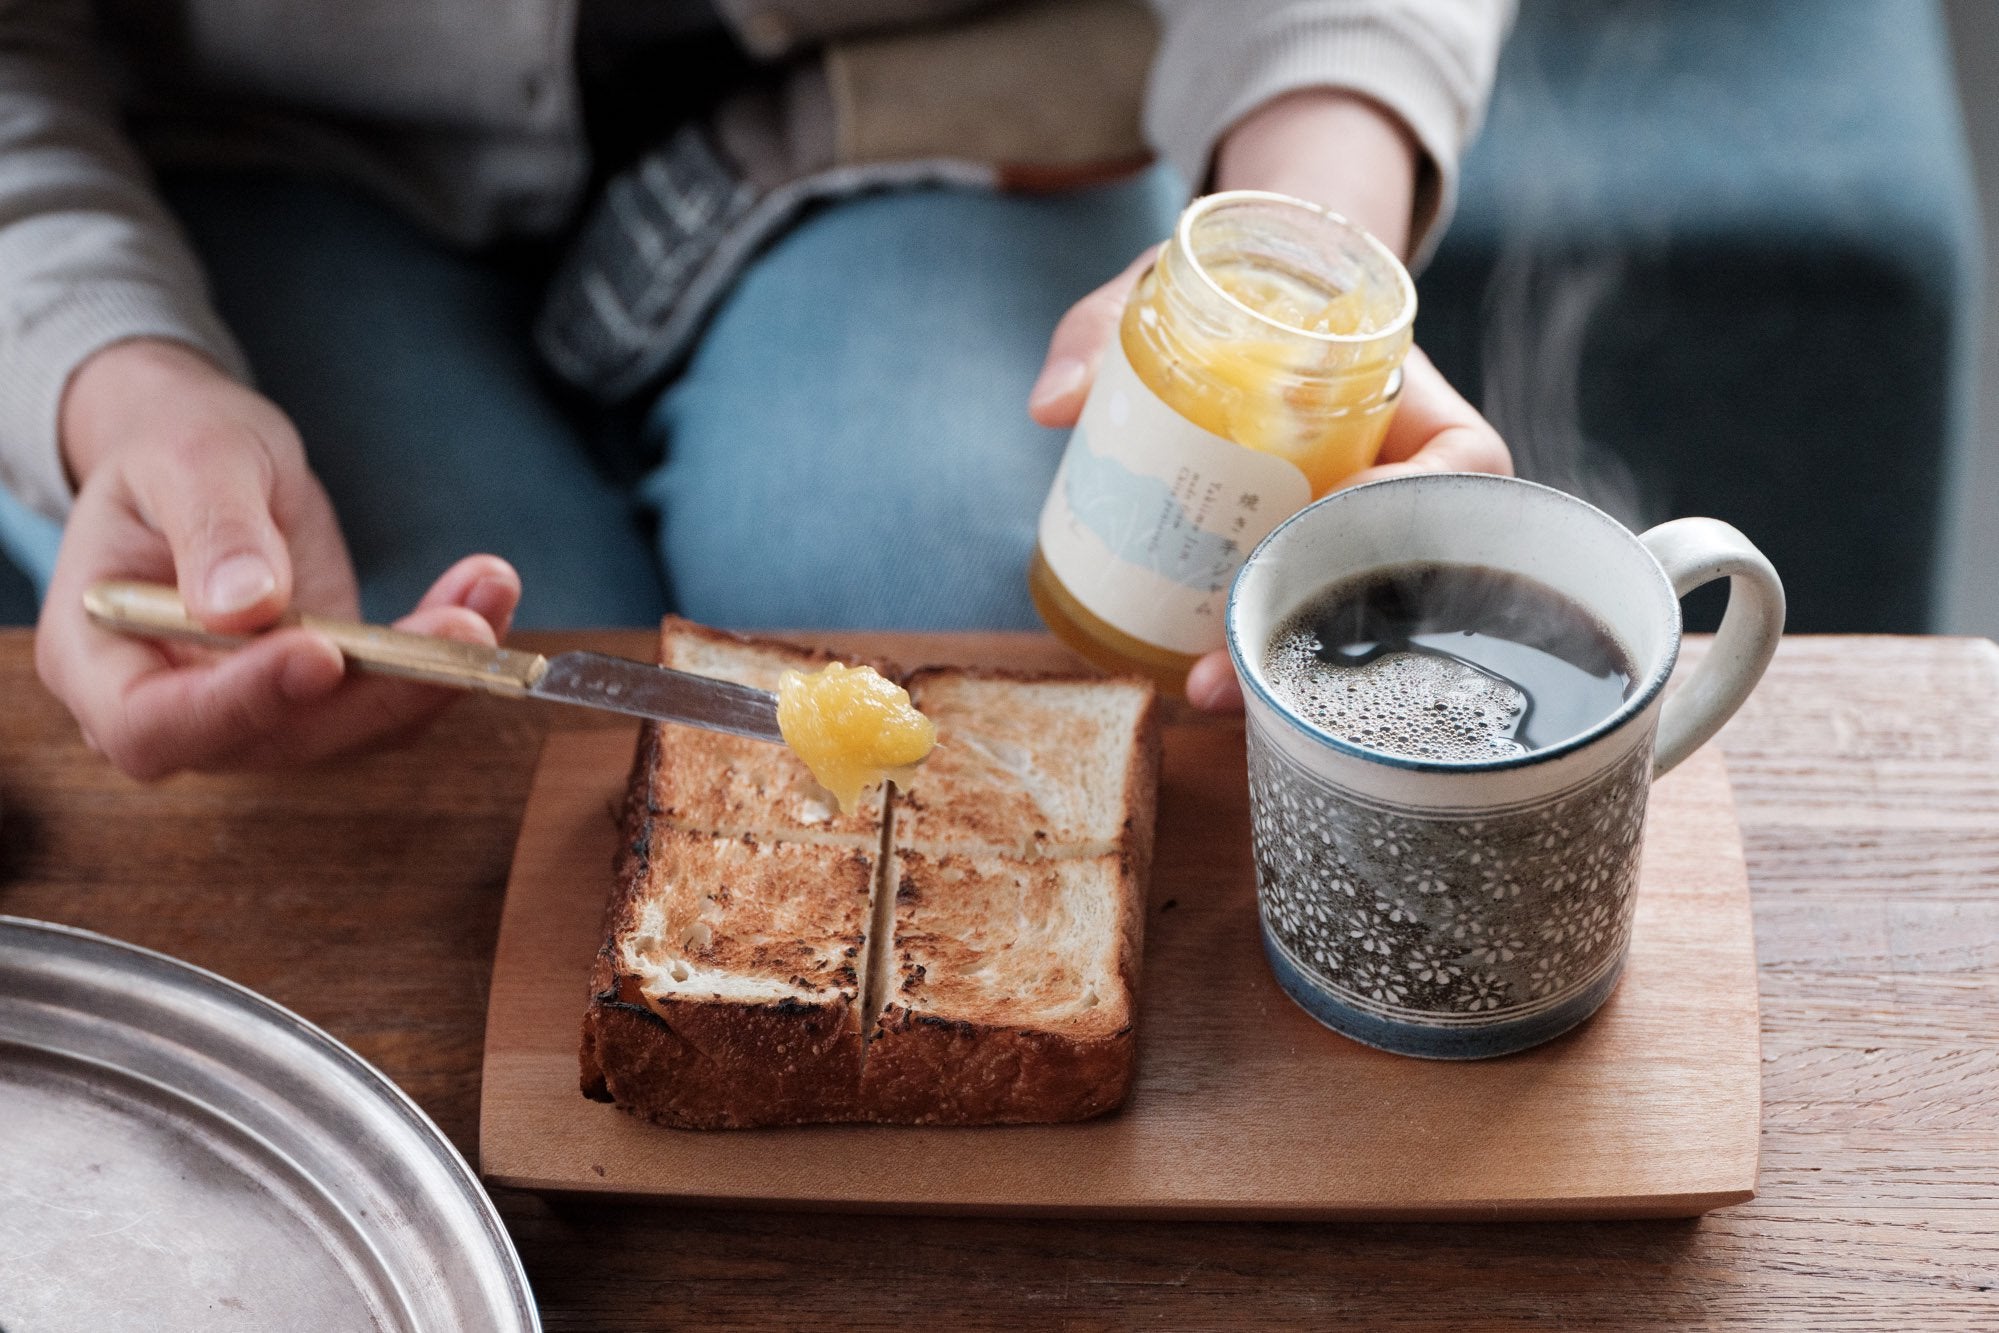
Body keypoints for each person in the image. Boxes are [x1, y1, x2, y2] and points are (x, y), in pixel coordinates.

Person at [0, 0, 1513, 780]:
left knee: (995, 621)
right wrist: (114, 384)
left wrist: (1305, 276)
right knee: (435, 713)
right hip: (244, 160)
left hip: (929, 100)